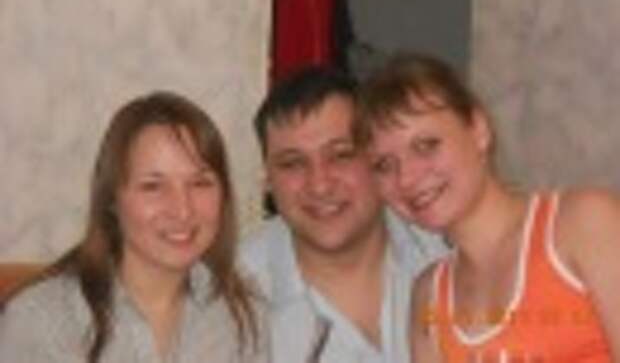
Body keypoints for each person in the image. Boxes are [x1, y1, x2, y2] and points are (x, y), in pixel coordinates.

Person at [362, 52, 620, 362]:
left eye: (426, 146)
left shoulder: (585, 224)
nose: (407, 177)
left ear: (479, 129)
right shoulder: (428, 296)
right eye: (384, 165)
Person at [0, 91, 270, 363]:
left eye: (200, 183)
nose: (182, 209)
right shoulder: (42, 320)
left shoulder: (242, 314)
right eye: (153, 186)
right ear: (112, 201)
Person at [238, 67, 445, 363]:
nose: (320, 185)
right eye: (293, 163)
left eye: (341, 155)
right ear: (267, 181)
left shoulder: (448, 252)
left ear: (378, 159)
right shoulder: (232, 304)